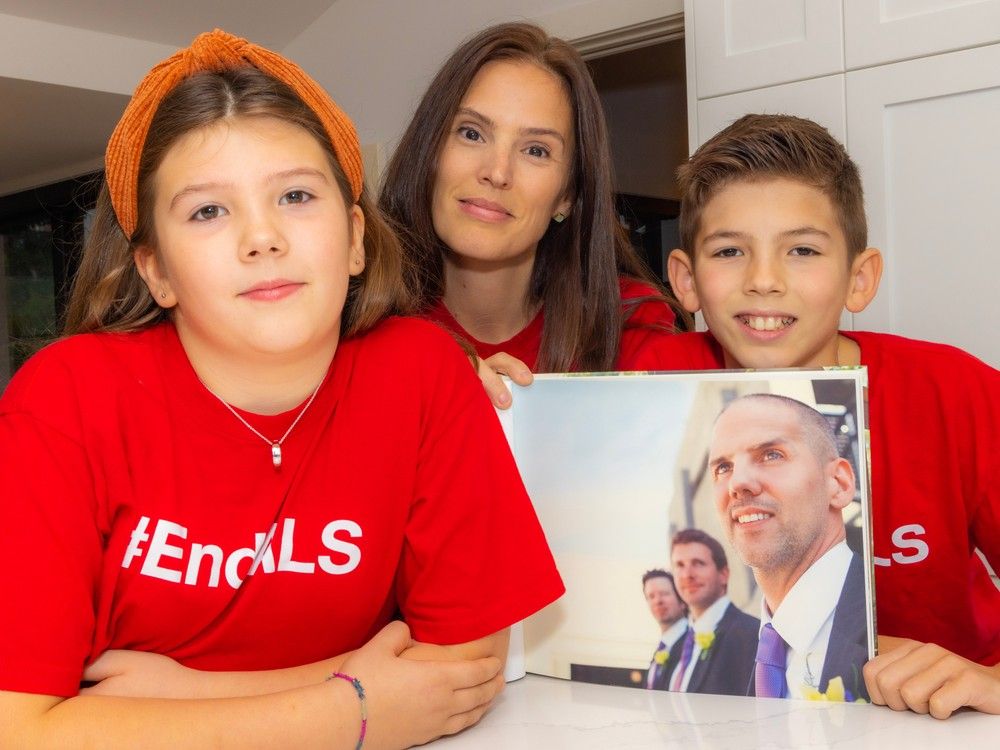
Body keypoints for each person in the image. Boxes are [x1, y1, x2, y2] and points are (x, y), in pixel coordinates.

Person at [0, 30, 564, 749]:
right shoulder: (65, 400)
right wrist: (352, 708)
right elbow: (18, 728)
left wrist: (184, 696)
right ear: (156, 272)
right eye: (208, 211)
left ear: (356, 238)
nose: (261, 238)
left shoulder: (422, 372)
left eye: (295, 195)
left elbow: (465, 668)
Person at [647, 113, 1000, 718]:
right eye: (730, 251)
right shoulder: (644, 379)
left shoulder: (956, 391)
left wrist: (992, 685)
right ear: (686, 280)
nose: (763, 280)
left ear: (858, 279)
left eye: (802, 250)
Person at [379, 22, 682, 407]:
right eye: (471, 133)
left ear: (567, 196)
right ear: (430, 154)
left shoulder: (628, 327)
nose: (497, 172)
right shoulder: (359, 325)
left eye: (536, 150)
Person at [709, 393, 869, 701]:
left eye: (771, 455)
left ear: (839, 483)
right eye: (723, 467)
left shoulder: (897, 619)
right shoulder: (739, 655)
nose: (737, 483)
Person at [667, 528, 759, 696]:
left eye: (698, 563)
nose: (687, 575)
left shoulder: (751, 635)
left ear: (723, 574)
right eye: (679, 565)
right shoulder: (677, 647)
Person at [641, 569, 688, 690]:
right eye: (651, 596)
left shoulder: (693, 644)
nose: (658, 601)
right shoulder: (659, 650)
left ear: (682, 600)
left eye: (664, 593)